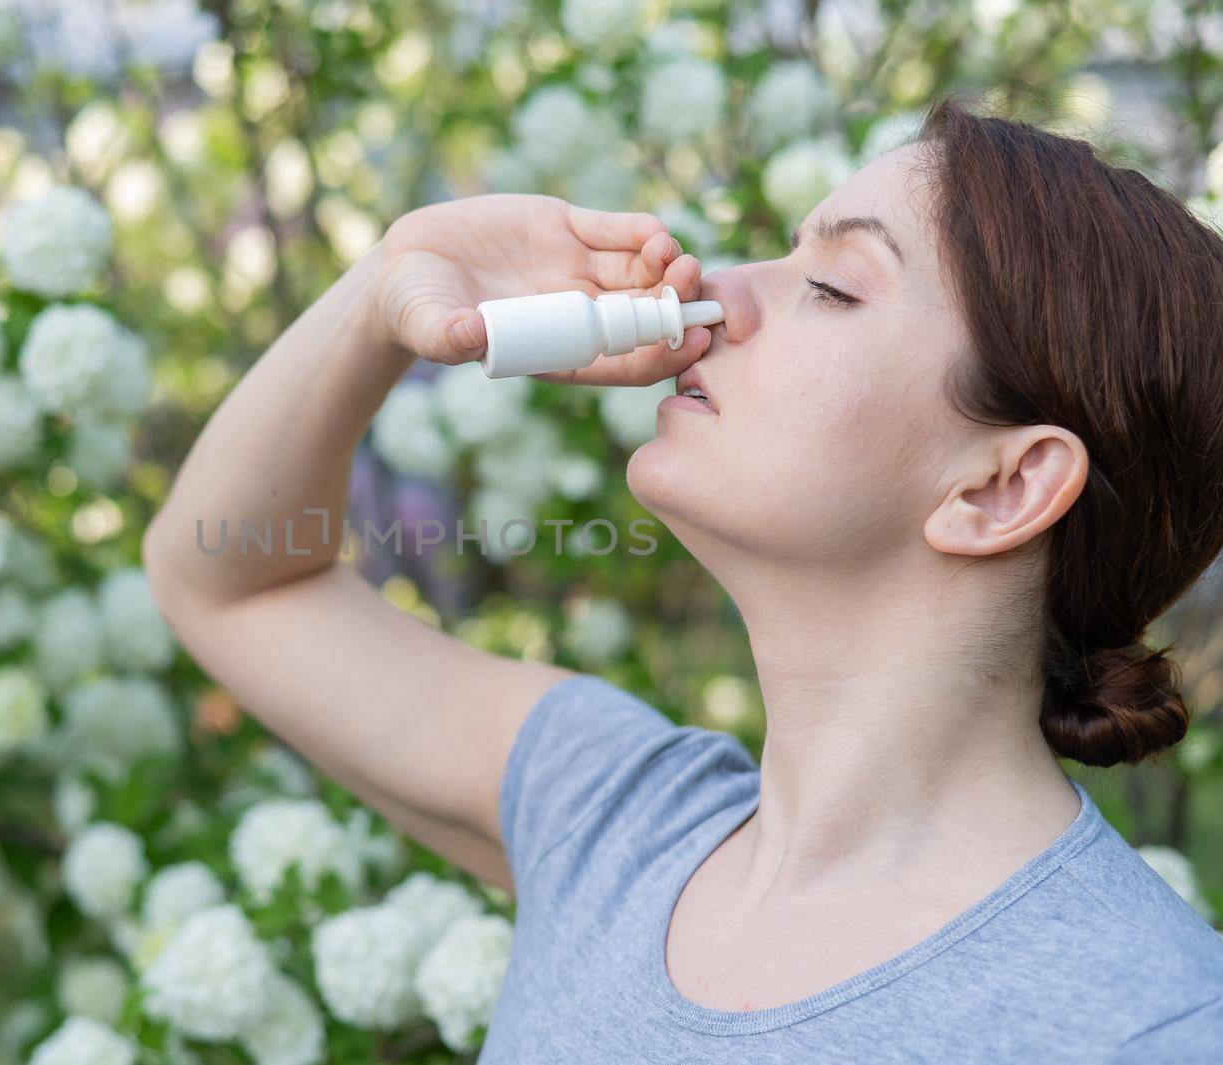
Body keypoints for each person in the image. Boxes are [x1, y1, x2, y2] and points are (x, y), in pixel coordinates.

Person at [141, 94, 1223, 1061]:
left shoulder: (1146, 1023)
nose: (710, 292)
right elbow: (233, 581)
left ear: (1001, 487)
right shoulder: (617, 823)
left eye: (833, 288)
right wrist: (388, 286)